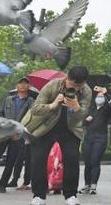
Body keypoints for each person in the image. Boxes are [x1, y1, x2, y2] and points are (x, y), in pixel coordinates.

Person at [23, 66, 92, 205]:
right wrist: (53, 105)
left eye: (80, 86)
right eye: (73, 85)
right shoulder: (52, 85)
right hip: (46, 128)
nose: (77, 89)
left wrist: (76, 107)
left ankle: (71, 195)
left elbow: (83, 116)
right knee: (38, 160)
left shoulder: (87, 91)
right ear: (67, 77)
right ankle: (39, 196)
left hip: (70, 130)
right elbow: (36, 109)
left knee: (72, 160)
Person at [79, 86, 111, 195]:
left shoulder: (107, 109)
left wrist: (106, 94)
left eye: (101, 97)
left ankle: (94, 185)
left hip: (100, 137)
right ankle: (87, 185)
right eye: (98, 96)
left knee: (95, 161)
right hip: (89, 137)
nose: (99, 98)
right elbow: (82, 122)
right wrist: (86, 120)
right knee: (87, 162)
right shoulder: (91, 109)